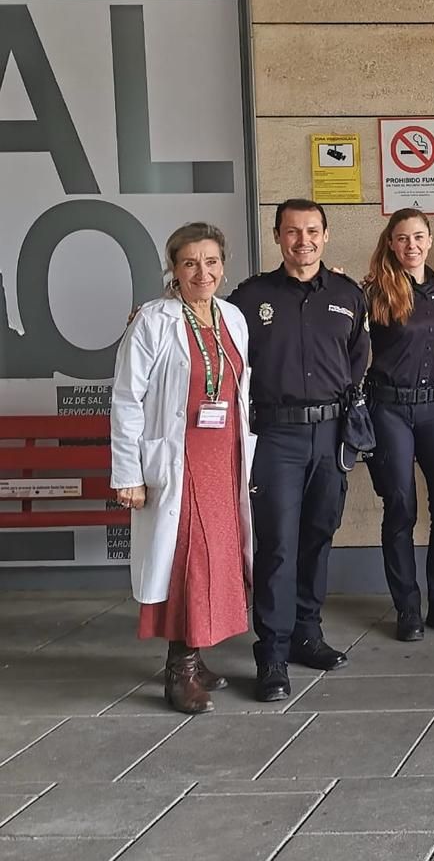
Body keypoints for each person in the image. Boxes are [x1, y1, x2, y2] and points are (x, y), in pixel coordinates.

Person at [111, 223, 254, 714]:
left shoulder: (233, 318)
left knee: (218, 559)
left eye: (211, 261)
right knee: (188, 561)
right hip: (179, 460)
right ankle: (180, 670)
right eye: (190, 262)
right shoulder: (153, 320)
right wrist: (128, 473)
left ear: (223, 265)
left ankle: (197, 650)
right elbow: (127, 399)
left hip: (224, 461)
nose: (202, 272)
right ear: (173, 268)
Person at [231, 200, 369, 702]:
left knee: (318, 536)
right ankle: (271, 653)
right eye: (292, 232)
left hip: (331, 435)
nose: (303, 241)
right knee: (278, 545)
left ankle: (307, 634)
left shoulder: (348, 295)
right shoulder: (250, 298)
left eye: (312, 231)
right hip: (276, 437)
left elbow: (359, 355)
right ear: (277, 237)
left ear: (326, 236)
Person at [363, 210, 434, 642]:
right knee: (401, 507)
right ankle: (408, 608)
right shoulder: (374, 292)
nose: (412, 245)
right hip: (390, 409)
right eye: (403, 238)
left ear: (430, 241)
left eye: (419, 237)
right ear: (391, 242)